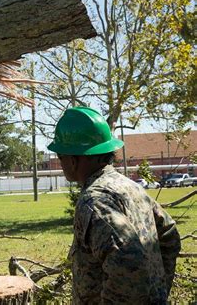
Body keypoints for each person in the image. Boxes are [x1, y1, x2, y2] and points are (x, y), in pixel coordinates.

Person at [47, 106, 181, 304]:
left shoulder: (95, 202)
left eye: (61, 157)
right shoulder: (129, 186)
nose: (62, 164)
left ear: (74, 159)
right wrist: (158, 291)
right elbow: (169, 235)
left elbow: (128, 259)